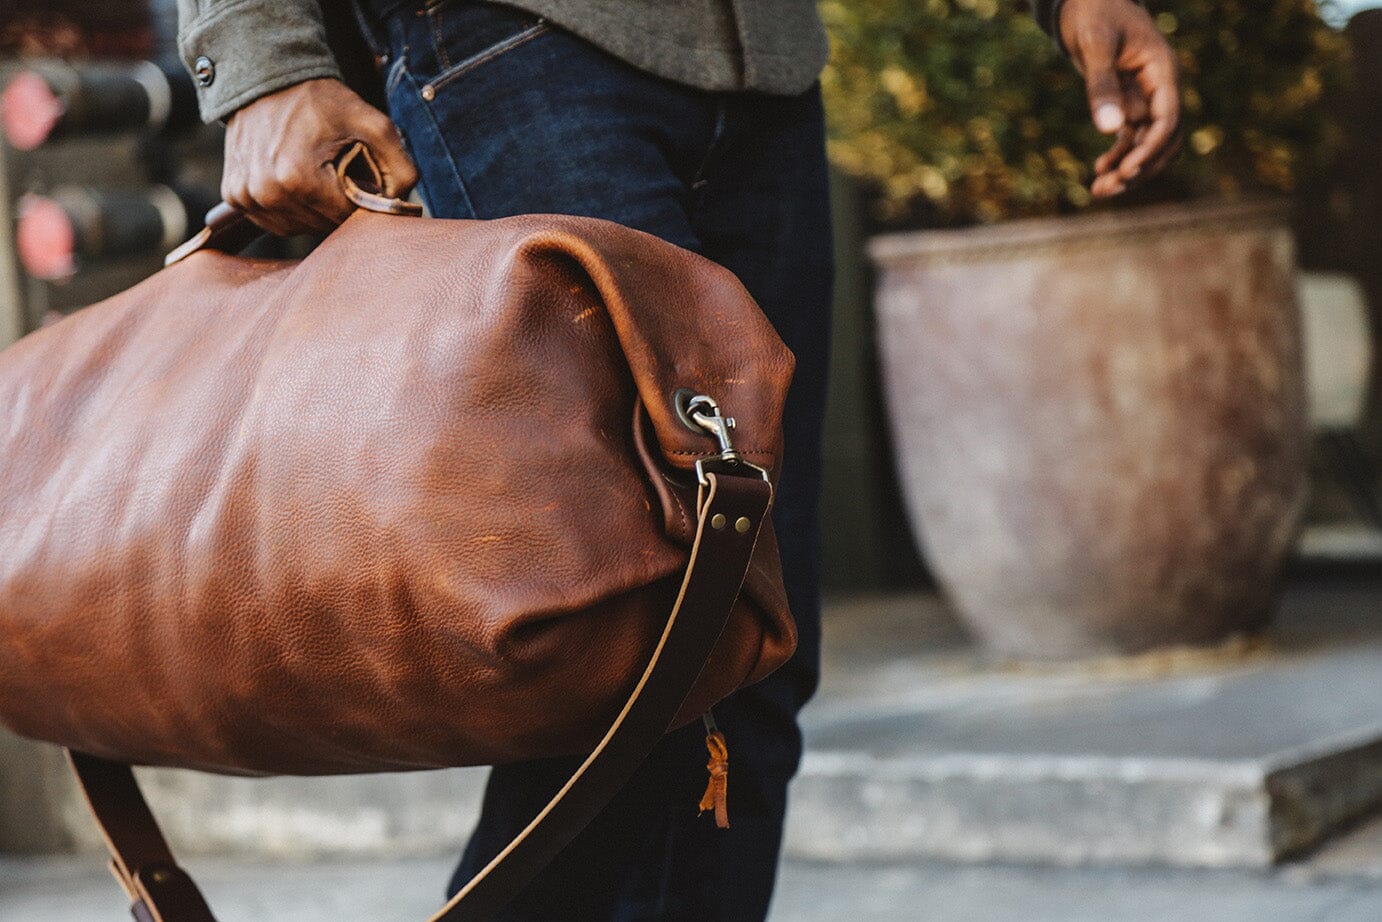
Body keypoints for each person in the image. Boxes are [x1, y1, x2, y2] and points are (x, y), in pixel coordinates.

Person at [173, 0, 1180, 918]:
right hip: (514, 45)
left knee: (753, 654)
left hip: (762, 69)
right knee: (632, 652)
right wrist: (257, 56)